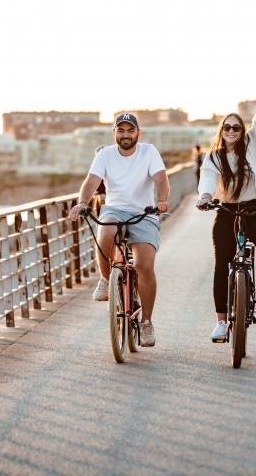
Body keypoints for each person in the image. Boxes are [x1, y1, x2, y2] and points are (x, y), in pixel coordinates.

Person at [196, 54, 256, 342]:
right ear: (221, 131)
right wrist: (204, 197)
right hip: (226, 211)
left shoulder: (252, 143)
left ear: (242, 130)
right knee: (221, 263)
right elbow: (207, 181)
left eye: (237, 127)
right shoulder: (213, 157)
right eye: (227, 127)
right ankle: (222, 323)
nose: (232, 131)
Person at [69, 113, 170, 347]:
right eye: (121, 130)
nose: (126, 135)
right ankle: (106, 280)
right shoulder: (105, 154)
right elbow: (91, 181)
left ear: (138, 133)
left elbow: (162, 180)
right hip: (115, 208)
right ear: (114, 133)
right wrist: (83, 202)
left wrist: (162, 200)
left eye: (130, 130)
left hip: (143, 211)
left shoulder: (148, 151)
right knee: (105, 232)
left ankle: (146, 323)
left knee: (144, 265)